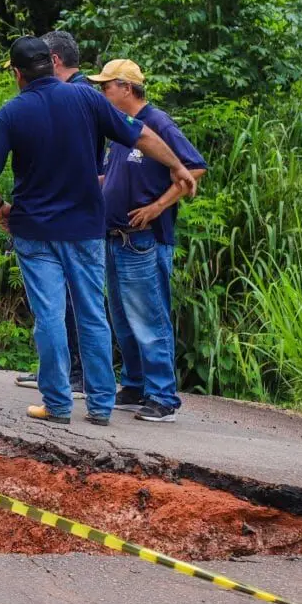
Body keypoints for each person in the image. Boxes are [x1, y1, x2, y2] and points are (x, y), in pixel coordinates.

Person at [0, 37, 197, 426]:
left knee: (50, 316)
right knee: (93, 314)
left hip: (35, 230)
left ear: (17, 72)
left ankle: (58, 404)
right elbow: (140, 134)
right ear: (51, 62)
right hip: (86, 230)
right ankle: (100, 406)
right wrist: (177, 166)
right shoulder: (88, 100)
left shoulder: (11, 112)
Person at [92, 59, 208, 423]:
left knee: (148, 315)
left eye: (106, 86)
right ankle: (135, 384)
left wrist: (158, 206)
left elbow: (194, 167)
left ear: (126, 87)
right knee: (123, 317)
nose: (102, 93)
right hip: (114, 235)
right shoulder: (119, 129)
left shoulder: (157, 124)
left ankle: (162, 395)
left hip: (144, 238)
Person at [16, 29, 98, 394]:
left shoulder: (78, 94)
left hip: (68, 214)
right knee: (63, 303)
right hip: (67, 212)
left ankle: (74, 377)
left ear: (54, 62)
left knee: (73, 303)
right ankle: (64, 376)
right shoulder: (72, 96)